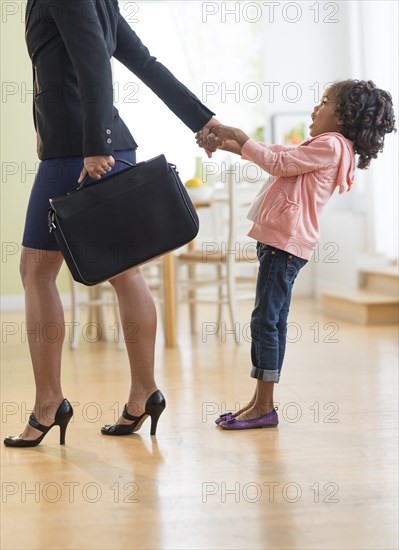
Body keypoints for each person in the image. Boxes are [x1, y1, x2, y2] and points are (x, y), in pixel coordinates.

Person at [4, 0, 220, 447]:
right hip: (104, 148)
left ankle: (49, 404)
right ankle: (144, 393)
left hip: (79, 153)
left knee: (37, 270)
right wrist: (204, 121)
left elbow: (92, 65)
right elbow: (145, 63)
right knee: (125, 270)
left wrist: (95, 144)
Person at [196, 79, 396, 430]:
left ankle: (265, 406)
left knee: (265, 320)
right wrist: (233, 145)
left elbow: (277, 163)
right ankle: (260, 402)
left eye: (324, 102)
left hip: (285, 245)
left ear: (345, 116)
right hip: (282, 243)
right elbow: (280, 155)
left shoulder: (332, 146)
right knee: (269, 320)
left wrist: (241, 136)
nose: (315, 109)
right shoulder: (326, 145)